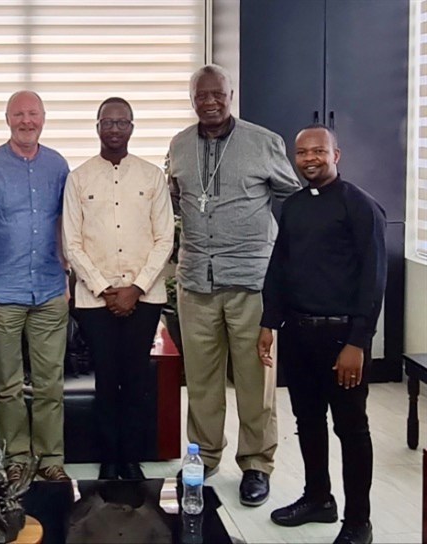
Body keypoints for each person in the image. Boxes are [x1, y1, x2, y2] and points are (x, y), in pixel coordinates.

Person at [166, 64, 301, 506]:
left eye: (217, 94)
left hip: (251, 282)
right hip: (195, 282)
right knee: (201, 381)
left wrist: (288, 260)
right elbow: (173, 201)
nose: (209, 102)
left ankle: (257, 464)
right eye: (200, 95)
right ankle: (203, 457)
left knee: (253, 380)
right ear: (192, 99)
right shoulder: (180, 145)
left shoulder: (264, 143)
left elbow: (294, 201)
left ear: (231, 94)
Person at [259, 125, 385, 544]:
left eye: (319, 151)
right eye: (302, 153)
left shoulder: (361, 207)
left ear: (336, 154)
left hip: (341, 340)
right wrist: (268, 322)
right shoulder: (292, 207)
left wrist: (358, 342)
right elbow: (280, 267)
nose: (310, 159)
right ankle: (318, 499)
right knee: (307, 421)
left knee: (351, 429)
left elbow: (373, 280)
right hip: (297, 333)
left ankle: (358, 521)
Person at [63, 97, 175, 480]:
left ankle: (133, 456)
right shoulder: (78, 178)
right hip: (96, 300)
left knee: (137, 378)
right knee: (107, 378)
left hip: (144, 298)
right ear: (97, 127)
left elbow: (165, 238)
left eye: (121, 122)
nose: (114, 129)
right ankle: (110, 458)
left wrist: (136, 288)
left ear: (132, 127)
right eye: (107, 122)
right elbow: (71, 243)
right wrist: (103, 287)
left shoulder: (151, 177)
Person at [0, 90, 71, 482]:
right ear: (7, 119)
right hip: (1, 292)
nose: (26, 121)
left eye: (33, 114)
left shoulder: (58, 165)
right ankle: (16, 456)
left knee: (50, 383)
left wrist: (67, 276)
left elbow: (68, 223)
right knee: (6, 385)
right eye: (19, 114)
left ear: (43, 118)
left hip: (49, 289)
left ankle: (50, 459)